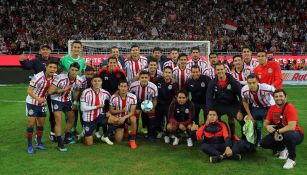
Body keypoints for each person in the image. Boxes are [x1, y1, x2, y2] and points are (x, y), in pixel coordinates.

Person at [20, 44, 59, 142]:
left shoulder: (55, 60)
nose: (45, 51)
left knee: (53, 113)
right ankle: (33, 140)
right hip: (37, 94)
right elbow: (26, 66)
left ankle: (52, 133)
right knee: (35, 120)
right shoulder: (36, 62)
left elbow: (61, 73)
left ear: (50, 51)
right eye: (43, 50)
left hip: (49, 93)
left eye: (47, 49)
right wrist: (22, 60)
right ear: (40, 51)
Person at [261, 89, 304, 169]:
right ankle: (283, 149)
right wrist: (267, 126)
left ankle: (291, 159)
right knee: (263, 143)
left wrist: (277, 131)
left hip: (296, 133)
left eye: (281, 96)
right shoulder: (272, 108)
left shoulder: (290, 107)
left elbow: (292, 127)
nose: (278, 98)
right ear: (273, 98)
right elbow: (266, 122)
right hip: (281, 133)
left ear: (285, 97)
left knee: (289, 135)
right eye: (276, 96)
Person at [25, 60, 58, 154]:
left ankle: (39, 143)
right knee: (31, 124)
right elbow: (29, 90)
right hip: (32, 102)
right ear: (46, 67)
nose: (52, 69)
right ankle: (30, 145)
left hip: (42, 103)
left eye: (54, 68)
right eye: (50, 67)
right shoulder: (38, 77)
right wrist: (37, 98)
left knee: (41, 124)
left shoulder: (55, 77)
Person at [48, 62, 83, 152]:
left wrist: (75, 102)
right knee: (58, 120)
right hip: (56, 100)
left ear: (78, 71)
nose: (73, 72)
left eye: (76, 70)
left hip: (67, 100)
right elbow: (50, 91)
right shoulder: (60, 77)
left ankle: (66, 138)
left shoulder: (79, 80)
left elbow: (77, 90)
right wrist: (62, 90)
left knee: (72, 118)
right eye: (72, 70)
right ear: (69, 70)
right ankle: (60, 144)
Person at [206, 63, 243, 138]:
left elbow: (241, 97)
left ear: (225, 70)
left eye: (221, 69)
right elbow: (209, 98)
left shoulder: (233, 82)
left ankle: (242, 138)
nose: (220, 71)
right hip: (219, 105)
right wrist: (209, 113)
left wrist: (240, 111)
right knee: (213, 120)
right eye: (218, 70)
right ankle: (217, 136)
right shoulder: (212, 82)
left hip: (232, 104)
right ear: (215, 71)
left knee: (242, 121)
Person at [80, 75, 115, 146]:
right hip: (89, 119)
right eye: (95, 81)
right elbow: (82, 108)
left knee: (117, 121)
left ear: (101, 82)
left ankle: (105, 136)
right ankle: (85, 131)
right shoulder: (86, 92)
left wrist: (108, 111)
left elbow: (111, 100)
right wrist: (97, 106)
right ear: (92, 82)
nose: (97, 83)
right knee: (89, 143)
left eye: (99, 81)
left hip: (100, 116)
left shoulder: (105, 93)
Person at [241, 74, 275, 146]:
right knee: (257, 123)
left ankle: (274, 141)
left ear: (257, 82)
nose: (252, 85)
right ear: (247, 83)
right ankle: (259, 138)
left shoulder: (266, 87)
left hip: (268, 107)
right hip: (256, 107)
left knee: (271, 124)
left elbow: (276, 94)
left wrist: (276, 108)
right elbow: (244, 101)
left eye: (254, 82)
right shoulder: (244, 90)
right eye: (250, 83)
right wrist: (249, 114)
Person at [129, 70, 158, 142]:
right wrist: (133, 108)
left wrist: (152, 108)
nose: (144, 79)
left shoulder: (153, 87)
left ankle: (150, 135)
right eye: (142, 77)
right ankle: (134, 134)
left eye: (146, 77)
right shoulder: (133, 85)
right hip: (137, 102)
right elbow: (130, 98)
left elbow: (155, 99)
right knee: (136, 113)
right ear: (139, 78)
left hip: (148, 103)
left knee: (152, 114)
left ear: (149, 78)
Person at [109, 80, 138, 149]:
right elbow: (111, 111)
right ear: (118, 87)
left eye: (125, 86)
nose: (123, 88)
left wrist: (124, 117)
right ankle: (124, 129)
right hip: (118, 118)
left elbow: (132, 112)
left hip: (127, 117)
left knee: (133, 118)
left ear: (128, 87)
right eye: (121, 86)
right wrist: (121, 111)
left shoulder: (133, 97)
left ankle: (132, 139)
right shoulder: (113, 97)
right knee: (118, 140)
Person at [155, 66, 179, 141]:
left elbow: (176, 96)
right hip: (159, 104)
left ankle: (169, 133)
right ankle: (160, 131)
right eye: (166, 72)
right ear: (163, 73)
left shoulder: (174, 83)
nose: (167, 74)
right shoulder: (157, 81)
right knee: (158, 119)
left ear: (172, 74)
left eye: (169, 73)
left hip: (169, 104)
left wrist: (173, 106)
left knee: (169, 119)